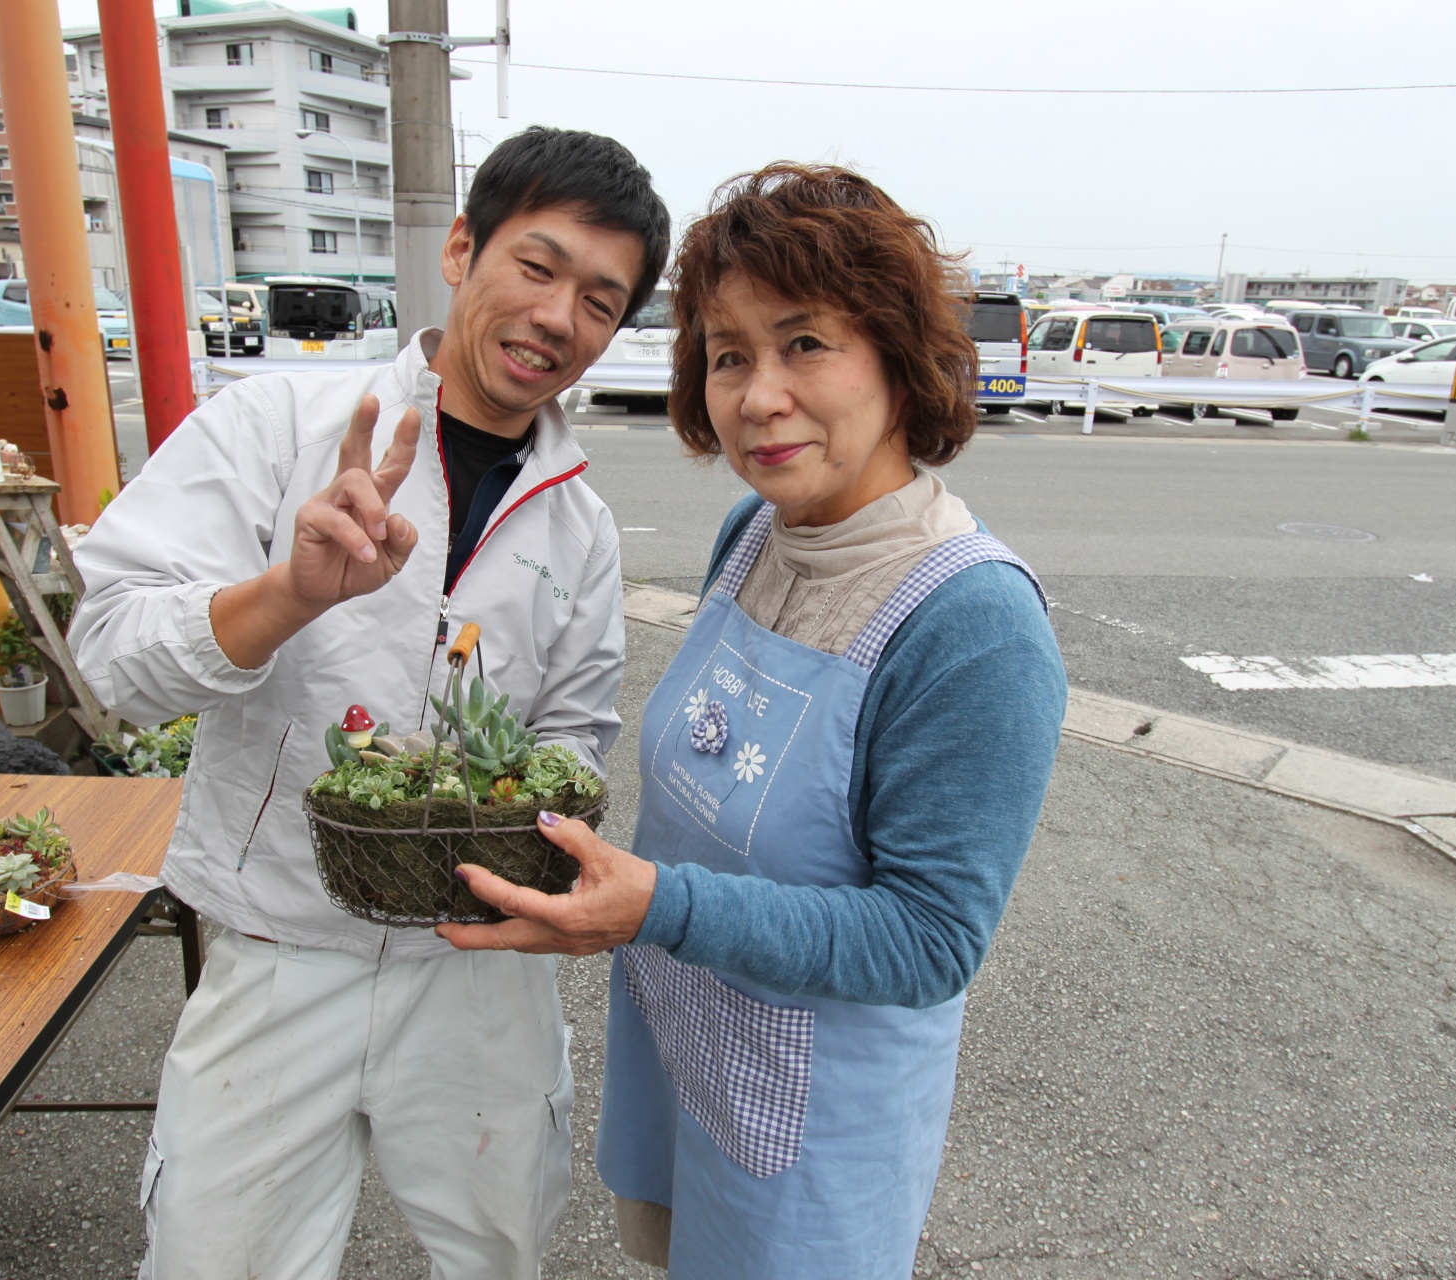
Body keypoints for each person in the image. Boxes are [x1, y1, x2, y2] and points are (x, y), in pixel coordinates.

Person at [439, 164, 1068, 1278]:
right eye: (729, 354)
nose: (759, 394)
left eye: (805, 343)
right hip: (687, 1051)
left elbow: (930, 940)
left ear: (896, 353)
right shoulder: (755, 531)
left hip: (820, 1124)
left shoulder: (972, 622)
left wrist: (658, 906)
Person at [69, 127, 669, 1280]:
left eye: (600, 299)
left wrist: (538, 837)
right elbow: (112, 655)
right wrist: (286, 595)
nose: (558, 317)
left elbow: (573, 734)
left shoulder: (579, 526)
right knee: (216, 1259)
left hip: (482, 960)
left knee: (500, 1248)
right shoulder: (273, 426)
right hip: (279, 942)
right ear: (459, 248)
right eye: (536, 267)